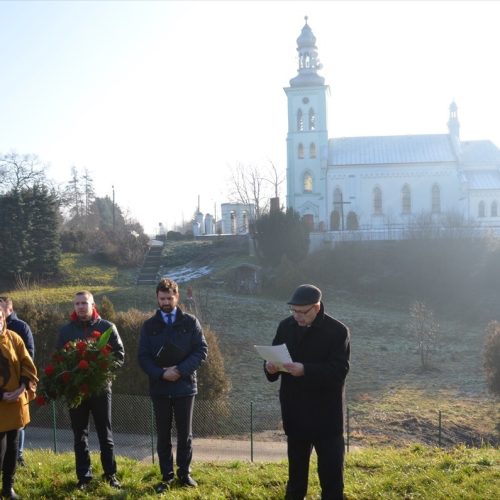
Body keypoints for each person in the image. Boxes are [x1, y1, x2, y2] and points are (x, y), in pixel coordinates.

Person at [264, 284, 350, 500]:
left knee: (331, 481)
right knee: (295, 480)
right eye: (293, 311)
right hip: (295, 414)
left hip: (326, 418)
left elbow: (339, 371)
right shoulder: (285, 327)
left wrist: (306, 370)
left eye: (303, 312)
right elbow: (275, 356)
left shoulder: (338, 331)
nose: (297, 317)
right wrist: (270, 367)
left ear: (317, 307)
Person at [138, 278, 208, 493]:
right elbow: (143, 357)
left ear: (176, 297)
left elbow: (201, 351)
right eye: (162, 298)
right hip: (160, 387)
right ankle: (167, 475)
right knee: (163, 434)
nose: (166, 302)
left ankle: (184, 474)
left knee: (185, 433)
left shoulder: (190, 322)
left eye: (169, 298)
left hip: (185, 386)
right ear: (157, 298)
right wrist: (161, 373)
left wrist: (180, 370)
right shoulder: (149, 326)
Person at [56, 291, 125, 491]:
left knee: (106, 434)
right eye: (77, 303)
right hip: (76, 392)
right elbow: (58, 359)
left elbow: (119, 356)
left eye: (84, 303)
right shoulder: (66, 331)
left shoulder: (107, 328)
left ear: (92, 305)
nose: (80, 307)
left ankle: (110, 475)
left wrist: (101, 373)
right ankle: (84, 478)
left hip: (100, 390)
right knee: (80, 435)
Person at [0, 307, 38, 500]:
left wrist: (23, 387)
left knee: (13, 449)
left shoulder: (14, 338)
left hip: (15, 403)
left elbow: (27, 363)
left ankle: (8, 487)